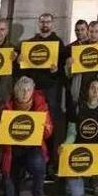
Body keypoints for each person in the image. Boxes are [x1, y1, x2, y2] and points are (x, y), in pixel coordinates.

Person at [21, 13, 66, 173]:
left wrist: (56, 70)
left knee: (50, 124)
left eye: (48, 21)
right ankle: (33, 162)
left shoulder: (59, 43)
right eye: (42, 21)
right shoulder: (30, 43)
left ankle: (50, 163)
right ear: (38, 23)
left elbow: (64, 70)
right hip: (34, 89)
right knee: (33, 123)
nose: (45, 24)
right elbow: (24, 68)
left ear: (52, 24)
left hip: (52, 89)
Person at [0, 77, 52, 196]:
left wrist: (45, 127)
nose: (24, 93)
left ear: (32, 91)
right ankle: (19, 179)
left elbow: (48, 134)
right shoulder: (6, 108)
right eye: (21, 90)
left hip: (33, 150)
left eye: (28, 90)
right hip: (12, 152)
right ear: (15, 92)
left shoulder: (41, 107)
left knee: (37, 161)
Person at [64, 76, 98, 196]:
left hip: (96, 150)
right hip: (79, 151)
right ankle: (78, 178)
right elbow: (71, 132)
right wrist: (65, 146)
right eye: (92, 88)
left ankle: (96, 184)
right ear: (87, 90)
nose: (95, 91)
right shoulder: (77, 107)